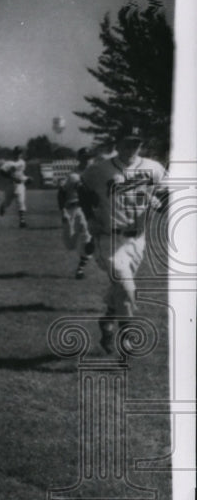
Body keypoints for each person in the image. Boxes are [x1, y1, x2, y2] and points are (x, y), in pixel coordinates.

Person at [79, 125, 167, 354]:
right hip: (108, 238)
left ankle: (107, 322)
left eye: (136, 142)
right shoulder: (99, 169)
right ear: (117, 144)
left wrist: (159, 204)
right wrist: (89, 217)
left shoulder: (153, 167)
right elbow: (81, 191)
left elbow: (167, 199)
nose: (132, 147)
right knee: (127, 287)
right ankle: (126, 340)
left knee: (121, 287)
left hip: (137, 239)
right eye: (127, 142)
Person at [58, 147, 95, 279]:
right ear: (79, 158)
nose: (87, 160)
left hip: (87, 210)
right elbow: (61, 193)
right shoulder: (73, 175)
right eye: (84, 157)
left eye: (89, 157)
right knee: (69, 244)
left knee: (87, 236)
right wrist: (63, 211)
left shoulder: (96, 174)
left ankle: (80, 269)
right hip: (72, 208)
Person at [0, 146, 31, 227]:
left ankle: (22, 221)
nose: (18, 154)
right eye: (17, 153)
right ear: (14, 153)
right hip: (10, 184)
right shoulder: (9, 163)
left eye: (20, 153)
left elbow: (21, 174)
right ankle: (3, 206)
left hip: (20, 185)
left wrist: (26, 178)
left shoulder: (22, 162)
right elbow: (1, 171)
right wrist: (12, 177)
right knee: (7, 202)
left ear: (21, 154)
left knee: (21, 202)